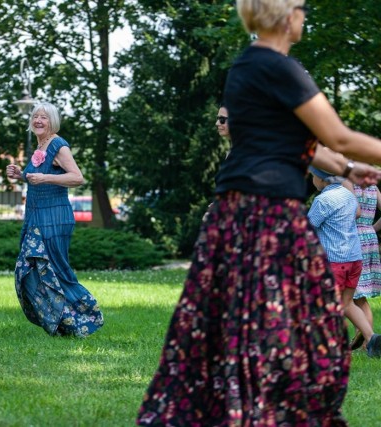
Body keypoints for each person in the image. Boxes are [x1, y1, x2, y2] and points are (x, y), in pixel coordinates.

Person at [137, 1, 381, 425]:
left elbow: (295, 140)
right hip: (268, 215)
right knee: (302, 324)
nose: (304, 15)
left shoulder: (246, 66)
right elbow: (338, 134)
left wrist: (346, 168)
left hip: (236, 212)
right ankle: (267, 411)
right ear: (287, 15)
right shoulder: (281, 67)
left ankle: (242, 408)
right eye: (301, 8)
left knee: (243, 319)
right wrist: (353, 154)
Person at [6, 102, 104, 337]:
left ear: (53, 122)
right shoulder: (41, 146)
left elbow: (77, 178)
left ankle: (88, 316)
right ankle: (63, 322)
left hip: (54, 217)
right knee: (30, 270)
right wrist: (21, 176)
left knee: (56, 271)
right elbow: (38, 179)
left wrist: (45, 178)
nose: (38, 120)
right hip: (36, 216)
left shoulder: (58, 145)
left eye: (44, 117)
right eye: (35, 116)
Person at [307, 166, 380, 357]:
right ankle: (372, 339)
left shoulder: (322, 200)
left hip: (334, 261)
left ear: (322, 180)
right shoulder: (348, 196)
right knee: (347, 302)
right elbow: (356, 214)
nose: (312, 181)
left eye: (313, 177)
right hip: (354, 259)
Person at [346, 182, 381, 350]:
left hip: (353, 237)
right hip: (369, 236)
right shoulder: (373, 187)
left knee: (358, 294)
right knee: (356, 294)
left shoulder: (349, 185)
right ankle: (361, 337)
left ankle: (368, 341)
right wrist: (372, 228)